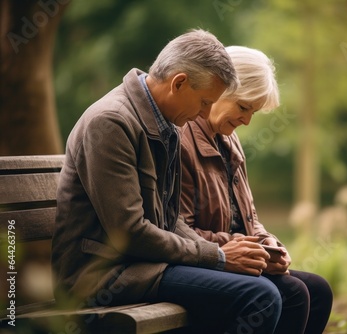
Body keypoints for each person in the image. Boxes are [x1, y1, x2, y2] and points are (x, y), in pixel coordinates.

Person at [51, 30, 284, 334]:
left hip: (144, 264)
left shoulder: (165, 123)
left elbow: (170, 221)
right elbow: (130, 232)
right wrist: (219, 257)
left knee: (287, 291)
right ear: (179, 83)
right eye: (204, 102)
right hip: (102, 275)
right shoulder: (111, 123)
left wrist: (220, 254)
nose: (205, 112)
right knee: (260, 296)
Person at [179, 45, 334, 334]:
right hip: (203, 262)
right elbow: (178, 229)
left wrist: (269, 243)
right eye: (243, 107)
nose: (247, 120)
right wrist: (240, 245)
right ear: (219, 89)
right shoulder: (182, 140)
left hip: (237, 257)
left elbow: (248, 216)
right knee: (294, 294)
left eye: (254, 111)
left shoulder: (229, 140)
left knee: (319, 290)